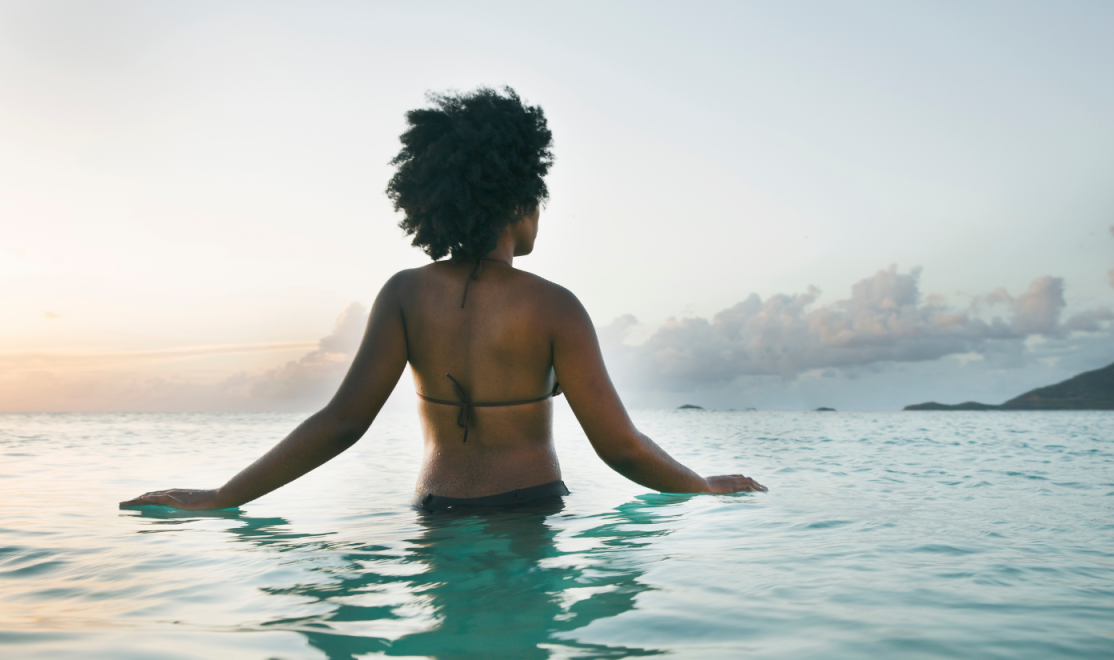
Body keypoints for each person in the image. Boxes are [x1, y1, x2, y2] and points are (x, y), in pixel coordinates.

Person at [120, 87, 766, 513]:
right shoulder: (555, 307)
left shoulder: (404, 293)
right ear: (517, 203)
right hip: (527, 508)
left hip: (435, 511)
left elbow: (342, 422)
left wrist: (226, 495)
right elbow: (619, 446)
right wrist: (701, 484)